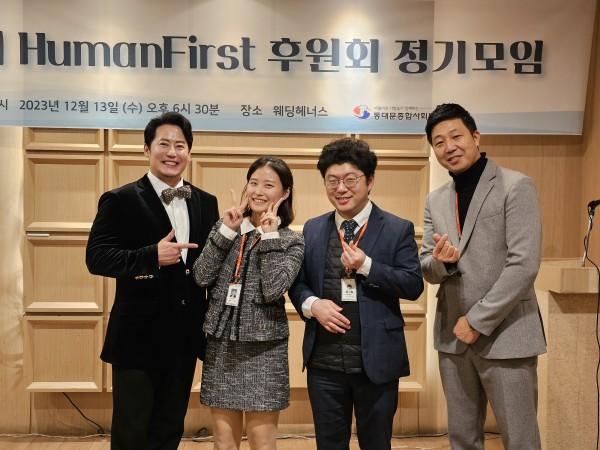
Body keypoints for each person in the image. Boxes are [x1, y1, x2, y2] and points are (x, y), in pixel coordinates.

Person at [86, 112, 219, 450]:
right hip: (137, 338)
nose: (172, 152)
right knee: (132, 431)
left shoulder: (206, 202)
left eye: (180, 145)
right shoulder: (120, 199)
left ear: (189, 152)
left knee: (169, 428)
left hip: (185, 336)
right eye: (164, 144)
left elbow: (210, 266)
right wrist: (150, 256)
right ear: (147, 149)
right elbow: (97, 258)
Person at [420, 103, 547, 450]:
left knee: (520, 439)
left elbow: (524, 264)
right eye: (439, 142)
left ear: (475, 137)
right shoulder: (435, 200)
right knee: (462, 439)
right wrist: (442, 264)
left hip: (507, 334)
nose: (449, 147)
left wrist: (476, 320)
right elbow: (427, 267)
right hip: (453, 339)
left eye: (456, 136)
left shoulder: (515, 186)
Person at [288, 137, 424, 450]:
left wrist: (367, 266)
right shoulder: (312, 228)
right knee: (329, 445)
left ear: (370, 180)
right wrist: (312, 305)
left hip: (376, 361)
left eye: (350, 179)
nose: (341, 188)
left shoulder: (397, 228)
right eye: (332, 180)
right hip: (324, 363)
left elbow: (413, 285)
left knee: (376, 444)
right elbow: (298, 283)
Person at [193, 156, 305, 450]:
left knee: (262, 443)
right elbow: (201, 276)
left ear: (285, 193)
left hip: (265, 348)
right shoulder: (226, 226)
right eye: (253, 183)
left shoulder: (290, 241)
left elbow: (273, 289)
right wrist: (226, 232)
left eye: (268, 185)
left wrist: (269, 237)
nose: (258, 191)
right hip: (222, 344)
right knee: (223, 443)